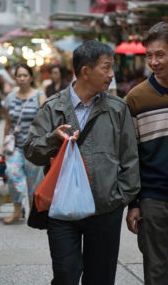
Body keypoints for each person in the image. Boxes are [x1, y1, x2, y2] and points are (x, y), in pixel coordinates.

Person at [23, 40, 140, 285]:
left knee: (100, 278)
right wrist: (52, 139)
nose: (112, 75)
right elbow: (32, 151)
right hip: (63, 208)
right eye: (106, 68)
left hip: (105, 209)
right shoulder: (53, 107)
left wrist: (120, 197)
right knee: (66, 274)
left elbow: (130, 157)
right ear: (85, 71)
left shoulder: (117, 109)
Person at [126, 22, 168, 285]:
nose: (154, 61)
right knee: (155, 272)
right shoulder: (135, 99)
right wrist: (134, 203)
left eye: (161, 54)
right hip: (154, 198)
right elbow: (131, 156)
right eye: (149, 55)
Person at [2, 63, 46, 224]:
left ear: (31, 78)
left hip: (34, 147)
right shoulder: (10, 97)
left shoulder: (39, 96)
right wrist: (4, 143)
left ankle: (32, 212)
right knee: (13, 174)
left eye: (25, 75)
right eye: (19, 76)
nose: (22, 79)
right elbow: (8, 123)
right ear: (15, 78)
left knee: (34, 181)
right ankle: (17, 210)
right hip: (15, 147)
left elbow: (45, 122)